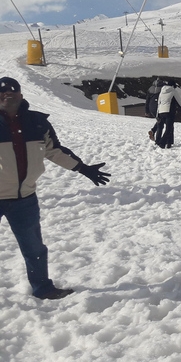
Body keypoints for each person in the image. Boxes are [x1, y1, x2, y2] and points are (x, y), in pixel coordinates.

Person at [0, 77, 110, 299]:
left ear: (21, 95)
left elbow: (54, 151)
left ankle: (43, 288)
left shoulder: (36, 123)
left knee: (34, 249)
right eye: (2, 93)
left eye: (12, 92)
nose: (8, 96)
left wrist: (82, 168)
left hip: (25, 199)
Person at [155, 80, 181, 148]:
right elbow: (180, 102)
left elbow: (159, 103)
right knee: (169, 129)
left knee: (169, 128)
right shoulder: (173, 91)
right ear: (173, 86)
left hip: (161, 112)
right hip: (169, 112)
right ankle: (162, 143)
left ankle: (169, 143)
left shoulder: (161, 92)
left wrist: (157, 114)